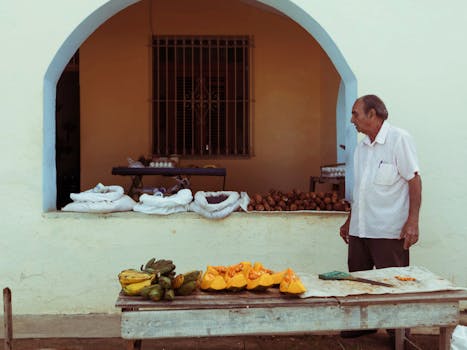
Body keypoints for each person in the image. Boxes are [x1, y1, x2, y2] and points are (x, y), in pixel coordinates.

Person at [339, 95, 422, 338]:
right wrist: (349, 220)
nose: (352, 119)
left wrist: (413, 222)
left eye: (356, 114)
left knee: (393, 284)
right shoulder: (362, 147)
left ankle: (398, 333)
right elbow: (361, 190)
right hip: (360, 228)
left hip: (388, 229)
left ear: (372, 114)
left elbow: (414, 181)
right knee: (358, 281)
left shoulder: (399, 139)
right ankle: (363, 325)